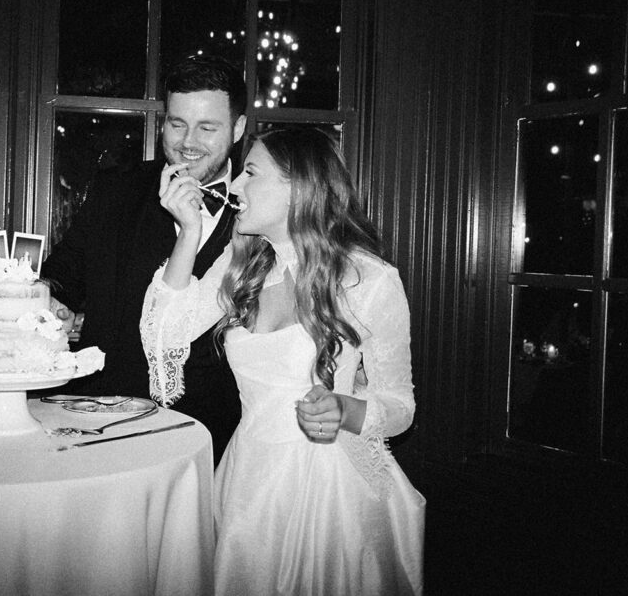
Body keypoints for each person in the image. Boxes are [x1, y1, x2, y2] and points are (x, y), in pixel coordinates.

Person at [141, 127, 425, 595]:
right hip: (248, 473)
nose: (235, 186)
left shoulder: (369, 279)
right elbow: (163, 334)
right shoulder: (244, 263)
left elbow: (400, 406)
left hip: (328, 489)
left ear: (300, 186)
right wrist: (189, 233)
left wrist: (345, 409)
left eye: (250, 173)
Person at [43, 55, 245, 464]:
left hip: (215, 437)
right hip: (108, 425)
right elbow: (63, 273)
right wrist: (51, 300)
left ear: (238, 129)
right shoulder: (115, 190)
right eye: (177, 124)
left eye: (207, 127)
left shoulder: (258, 206)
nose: (188, 142)